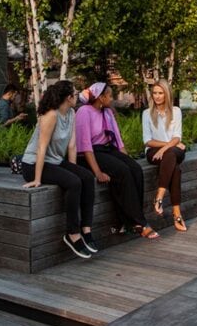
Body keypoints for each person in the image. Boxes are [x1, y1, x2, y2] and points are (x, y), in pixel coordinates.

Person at [22, 80, 98, 259]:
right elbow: (41, 147)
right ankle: (72, 234)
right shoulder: (51, 115)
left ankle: (86, 229)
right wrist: (37, 179)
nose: (78, 95)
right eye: (75, 93)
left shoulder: (71, 112)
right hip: (33, 164)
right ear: (68, 97)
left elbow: (72, 146)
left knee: (86, 177)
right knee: (73, 183)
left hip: (54, 161)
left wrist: (73, 169)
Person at [77, 82, 159, 239]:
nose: (112, 98)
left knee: (135, 169)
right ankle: (140, 223)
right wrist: (98, 172)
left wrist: (127, 159)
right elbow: (85, 145)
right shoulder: (84, 112)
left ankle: (129, 221)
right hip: (89, 154)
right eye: (109, 95)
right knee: (122, 171)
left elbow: (118, 142)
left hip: (107, 150)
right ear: (101, 97)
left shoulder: (106, 112)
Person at [142, 79, 187, 232]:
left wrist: (167, 147)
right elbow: (147, 141)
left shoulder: (176, 111)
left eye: (160, 93)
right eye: (155, 93)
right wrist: (165, 146)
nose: (157, 96)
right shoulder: (146, 114)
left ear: (167, 94)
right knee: (175, 168)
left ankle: (159, 197)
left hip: (172, 151)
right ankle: (177, 213)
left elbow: (177, 136)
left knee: (171, 155)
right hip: (155, 151)